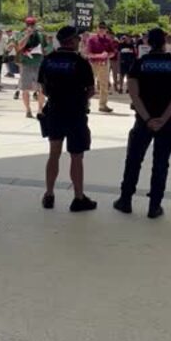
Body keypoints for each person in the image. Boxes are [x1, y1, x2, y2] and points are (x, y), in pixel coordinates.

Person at [113, 27, 171, 219]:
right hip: (167, 121)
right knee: (161, 164)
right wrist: (164, 118)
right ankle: (154, 206)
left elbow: (134, 94)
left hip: (143, 121)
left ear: (147, 42)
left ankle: (125, 200)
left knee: (134, 161)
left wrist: (147, 118)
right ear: (165, 42)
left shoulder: (139, 64)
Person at [38, 25, 97, 213]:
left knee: (53, 153)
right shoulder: (80, 62)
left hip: (54, 111)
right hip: (75, 114)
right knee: (76, 156)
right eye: (78, 39)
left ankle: (49, 194)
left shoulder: (49, 60)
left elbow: (44, 88)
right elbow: (90, 90)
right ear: (72, 41)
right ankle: (78, 198)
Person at [17, 17, 45, 118]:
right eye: (29, 24)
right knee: (25, 89)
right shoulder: (21, 34)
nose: (30, 26)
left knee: (41, 89)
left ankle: (40, 109)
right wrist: (27, 35)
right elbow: (19, 46)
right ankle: (28, 110)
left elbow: (44, 48)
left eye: (32, 24)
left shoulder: (40, 35)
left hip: (38, 63)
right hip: (26, 64)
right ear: (26, 25)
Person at [87, 22, 116, 113]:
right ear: (97, 29)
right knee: (89, 84)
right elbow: (89, 54)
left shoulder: (108, 40)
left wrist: (108, 55)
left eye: (103, 28)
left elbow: (112, 52)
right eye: (100, 27)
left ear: (106, 30)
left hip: (104, 63)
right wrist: (100, 55)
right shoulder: (91, 39)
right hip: (94, 63)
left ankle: (103, 105)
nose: (102, 29)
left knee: (104, 85)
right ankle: (85, 104)